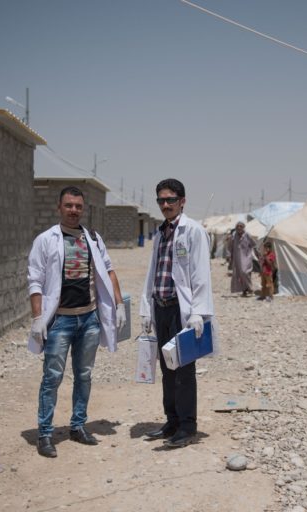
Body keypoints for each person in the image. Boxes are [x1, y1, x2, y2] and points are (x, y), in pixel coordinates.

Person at [27, 186, 127, 458]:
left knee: (84, 375)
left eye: (78, 206)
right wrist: (38, 318)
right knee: (52, 377)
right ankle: (45, 433)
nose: (73, 210)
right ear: (59, 207)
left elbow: (108, 270)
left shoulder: (92, 238)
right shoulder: (45, 240)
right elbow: (35, 280)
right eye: (68, 205)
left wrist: (118, 304)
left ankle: (78, 425)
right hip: (60, 321)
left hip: (89, 319)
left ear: (83, 209)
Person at [140, 178, 214, 448]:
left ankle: (187, 426)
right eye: (161, 200)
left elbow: (201, 273)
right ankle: (171, 421)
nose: (166, 204)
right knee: (166, 367)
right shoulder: (160, 233)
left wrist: (198, 312)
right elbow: (152, 272)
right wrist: (146, 309)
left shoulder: (193, 231)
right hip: (160, 308)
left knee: (183, 368)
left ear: (182, 201)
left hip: (181, 311)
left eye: (171, 199)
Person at [228, 221, 256, 296]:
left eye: (241, 226)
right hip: (237, 258)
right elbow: (230, 247)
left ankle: (250, 288)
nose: (239, 228)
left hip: (246, 257)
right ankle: (244, 290)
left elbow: (253, 244)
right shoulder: (234, 235)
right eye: (237, 226)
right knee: (239, 274)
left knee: (245, 272)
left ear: (243, 227)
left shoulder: (247, 235)